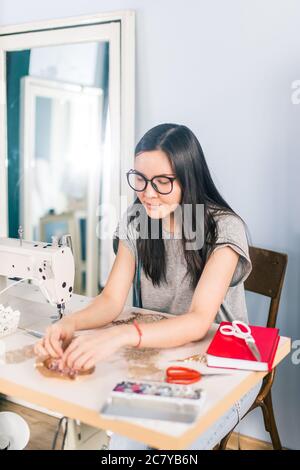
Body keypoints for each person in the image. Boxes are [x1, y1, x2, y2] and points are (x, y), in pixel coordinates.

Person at [35, 123, 259, 449]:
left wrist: (122, 334)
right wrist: (69, 322)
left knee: (174, 446)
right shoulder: (138, 219)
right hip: (160, 359)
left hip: (225, 370)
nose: (147, 193)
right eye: (139, 179)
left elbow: (199, 320)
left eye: (162, 182)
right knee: (126, 445)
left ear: (188, 178)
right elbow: (111, 299)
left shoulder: (223, 228)